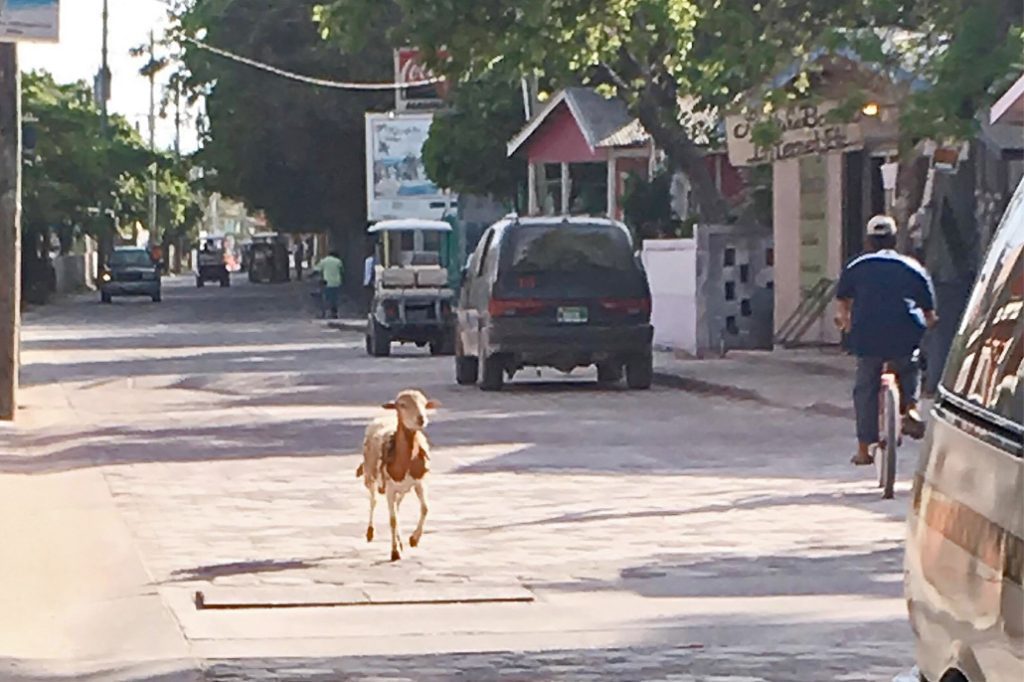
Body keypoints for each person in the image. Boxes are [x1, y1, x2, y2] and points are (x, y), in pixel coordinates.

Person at [835, 215, 938, 466]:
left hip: (867, 334)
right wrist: (927, 326)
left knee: (865, 387)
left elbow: (842, 307)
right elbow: (930, 314)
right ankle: (911, 408)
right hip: (904, 331)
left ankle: (863, 450)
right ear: (894, 240)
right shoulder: (912, 267)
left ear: (868, 240)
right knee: (910, 364)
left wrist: (845, 324)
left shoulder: (855, 266)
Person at [313, 250, 344, 319]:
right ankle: (334, 313)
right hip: (336, 282)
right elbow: (342, 271)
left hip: (327, 282)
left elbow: (317, 269)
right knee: (334, 298)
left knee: (326, 298)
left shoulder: (324, 261)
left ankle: (324, 313)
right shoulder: (338, 261)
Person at [363, 246, 376, 313]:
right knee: (372, 298)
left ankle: (369, 310)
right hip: (371, 282)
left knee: (369, 298)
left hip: (367, 282)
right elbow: (372, 271)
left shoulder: (368, 260)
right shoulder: (374, 260)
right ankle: (371, 310)